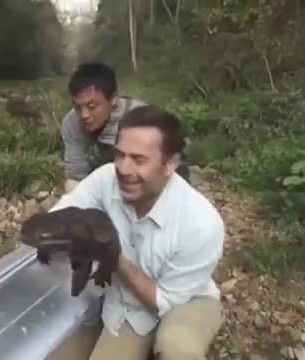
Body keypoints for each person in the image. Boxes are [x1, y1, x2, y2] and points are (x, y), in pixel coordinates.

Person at [47, 105, 225, 360]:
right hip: (122, 295)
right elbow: (61, 214)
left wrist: (113, 255)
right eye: (120, 155)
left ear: (170, 164)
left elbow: (164, 302)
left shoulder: (201, 224)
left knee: (178, 348)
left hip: (182, 299)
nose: (124, 169)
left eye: (139, 159)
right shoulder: (105, 179)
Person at [59, 62, 191, 194]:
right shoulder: (72, 123)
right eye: (78, 107)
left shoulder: (141, 120)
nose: (84, 115)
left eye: (92, 106)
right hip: (104, 185)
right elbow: (75, 176)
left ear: (113, 99)